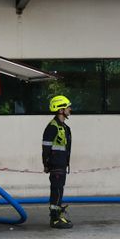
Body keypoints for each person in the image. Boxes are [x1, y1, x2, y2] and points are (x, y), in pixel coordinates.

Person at [41, 95, 74, 230]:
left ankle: (58, 215)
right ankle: (55, 218)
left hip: (61, 164)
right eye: (68, 107)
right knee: (56, 191)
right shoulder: (52, 127)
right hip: (55, 165)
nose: (70, 109)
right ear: (60, 110)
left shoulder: (64, 127)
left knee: (59, 190)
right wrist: (46, 164)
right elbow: (46, 148)